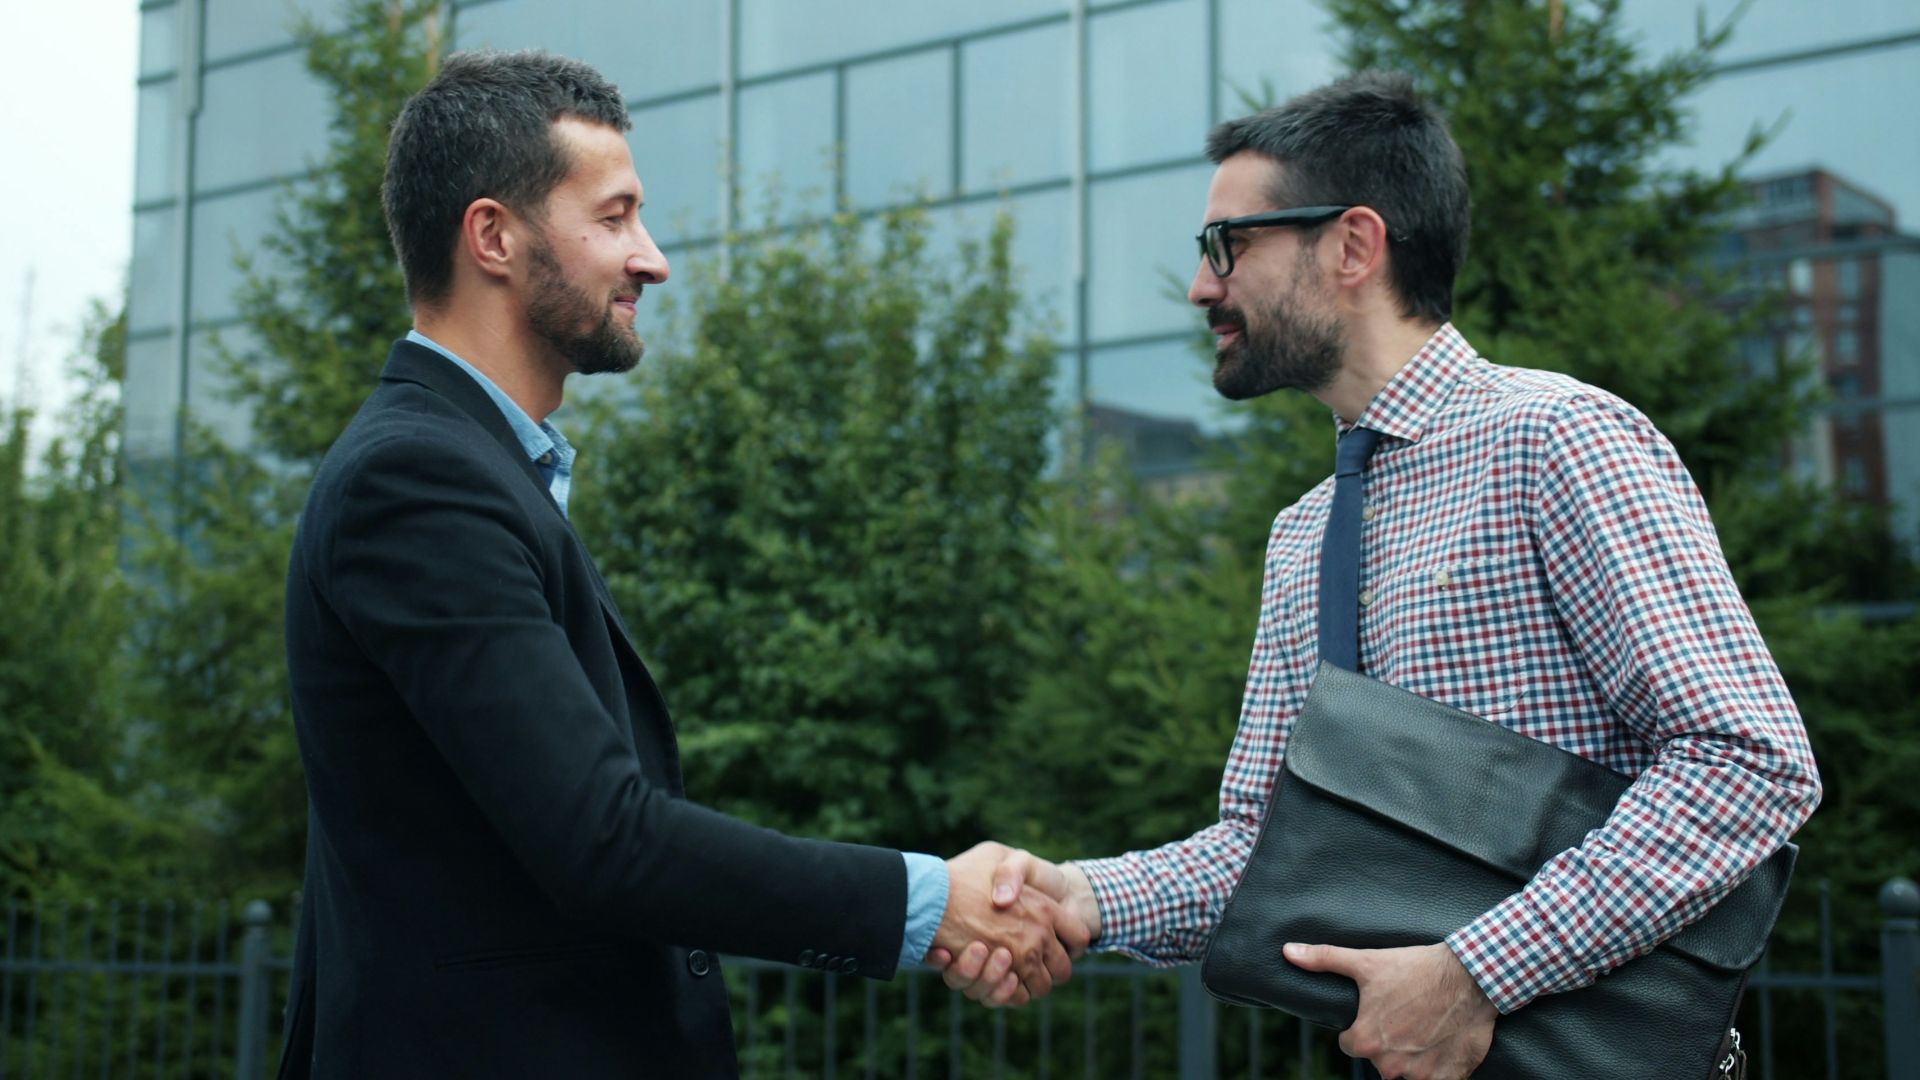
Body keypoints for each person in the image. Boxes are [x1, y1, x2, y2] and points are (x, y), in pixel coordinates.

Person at [936, 71, 1821, 1080]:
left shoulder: (1559, 440)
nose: (1202, 286)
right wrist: (1078, 901)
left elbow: (1748, 763)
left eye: (1229, 244)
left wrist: (1475, 974)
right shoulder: (1305, 534)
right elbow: (1271, 850)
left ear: (1353, 245)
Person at [277, 49, 1088, 1079]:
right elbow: (603, 840)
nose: (651, 258)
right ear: (494, 235)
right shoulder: (419, 483)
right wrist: (929, 905)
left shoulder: (470, 470)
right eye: (613, 218)